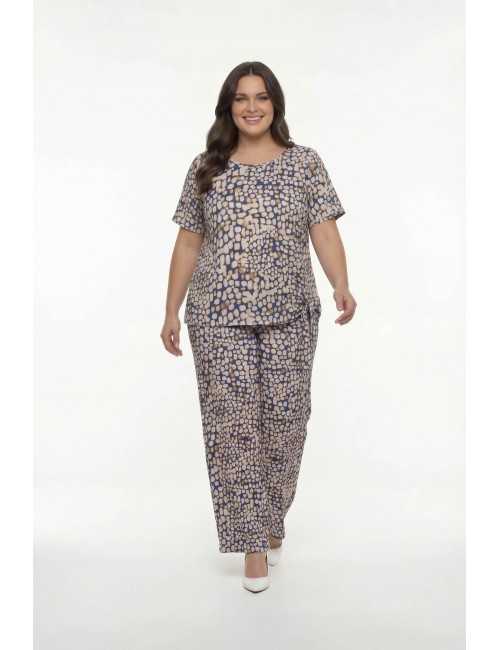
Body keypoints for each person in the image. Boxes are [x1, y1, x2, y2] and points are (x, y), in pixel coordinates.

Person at [161, 61, 357, 593]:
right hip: (217, 317)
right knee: (235, 428)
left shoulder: (305, 163)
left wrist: (340, 283)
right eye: (242, 98)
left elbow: (324, 230)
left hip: (291, 313)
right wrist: (171, 309)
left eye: (262, 97)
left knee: (287, 423)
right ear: (228, 107)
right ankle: (252, 545)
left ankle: (271, 516)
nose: (252, 107)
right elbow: (188, 242)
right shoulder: (206, 167)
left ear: (275, 104)